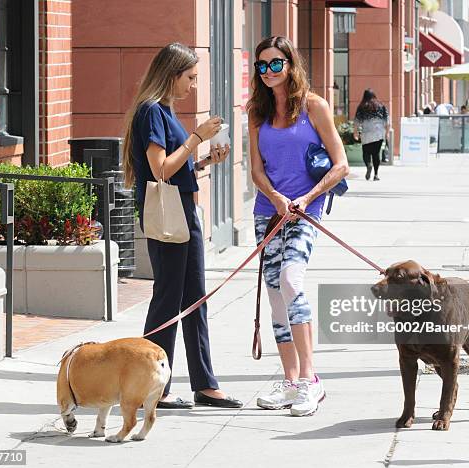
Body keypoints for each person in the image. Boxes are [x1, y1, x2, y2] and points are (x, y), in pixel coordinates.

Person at [122, 43, 242, 410]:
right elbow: (159, 169)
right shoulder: (151, 112)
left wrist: (204, 160)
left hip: (184, 214)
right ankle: (153, 385)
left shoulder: (165, 112)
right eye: (190, 77)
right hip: (170, 216)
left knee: (195, 300)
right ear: (172, 73)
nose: (192, 85)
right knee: (168, 300)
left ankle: (204, 384)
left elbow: (174, 170)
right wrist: (196, 138)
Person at [247, 36, 348, 416]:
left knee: (291, 280)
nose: (269, 71)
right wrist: (275, 198)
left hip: (307, 211)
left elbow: (341, 165)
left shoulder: (313, 106)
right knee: (275, 293)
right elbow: (256, 171)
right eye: (263, 65)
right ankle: (290, 382)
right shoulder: (257, 112)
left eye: (276, 63)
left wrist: (305, 199)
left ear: (290, 64)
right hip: (267, 211)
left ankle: (310, 380)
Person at [353, 89, 390, 181]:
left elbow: (357, 121)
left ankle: (369, 165)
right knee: (376, 154)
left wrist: (355, 132)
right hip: (379, 133)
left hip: (366, 133)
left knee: (366, 152)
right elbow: (387, 120)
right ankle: (376, 174)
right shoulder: (381, 105)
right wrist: (387, 132)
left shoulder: (362, 106)